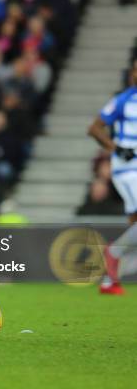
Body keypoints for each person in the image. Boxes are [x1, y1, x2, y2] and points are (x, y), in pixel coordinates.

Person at [87, 62, 137, 295]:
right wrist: (115, 148)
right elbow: (95, 128)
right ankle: (114, 254)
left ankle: (110, 279)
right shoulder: (123, 100)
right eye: (135, 70)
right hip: (128, 168)